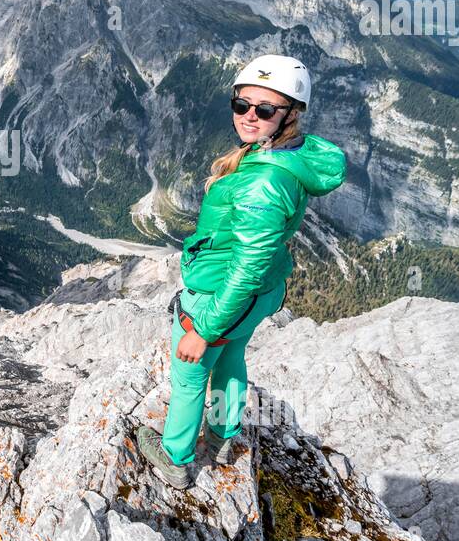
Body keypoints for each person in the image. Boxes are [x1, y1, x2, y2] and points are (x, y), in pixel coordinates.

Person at [136, 53, 346, 489]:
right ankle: (225, 437)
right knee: (231, 358)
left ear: (290, 114)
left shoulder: (263, 182)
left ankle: (175, 458)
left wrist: (204, 329)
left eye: (265, 109)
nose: (250, 116)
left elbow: (247, 267)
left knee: (191, 373)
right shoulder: (283, 157)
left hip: (220, 295)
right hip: (258, 296)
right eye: (242, 105)